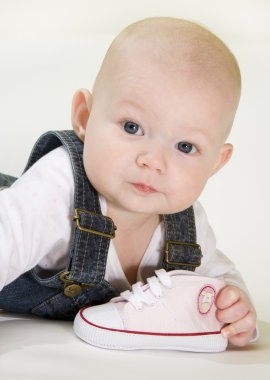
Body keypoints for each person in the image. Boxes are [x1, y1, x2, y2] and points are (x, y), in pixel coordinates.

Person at [0, 17, 257, 347]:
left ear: (215, 163)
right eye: (132, 127)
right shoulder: (57, 185)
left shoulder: (188, 227)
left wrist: (234, 307)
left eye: (185, 147)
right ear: (85, 118)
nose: (152, 160)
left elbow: (219, 280)